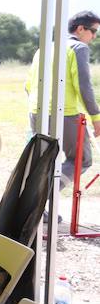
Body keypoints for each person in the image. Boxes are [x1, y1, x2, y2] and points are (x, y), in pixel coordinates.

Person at [26, 11, 100, 184]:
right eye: (93, 31)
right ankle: (47, 196)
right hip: (63, 113)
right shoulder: (78, 48)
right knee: (82, 160)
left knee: (44, 160)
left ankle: (40, 206)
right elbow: (83, 87)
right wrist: (96, 117)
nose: (95, 36)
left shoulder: (43, 49)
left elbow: (28, 85)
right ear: (80, 29)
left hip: (36, 111)